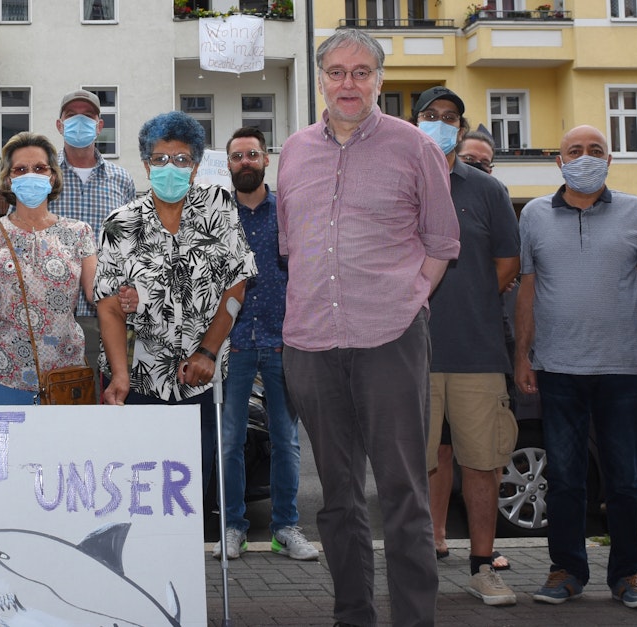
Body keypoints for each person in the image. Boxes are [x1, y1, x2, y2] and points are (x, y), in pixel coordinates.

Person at [274, 28, 459, 627]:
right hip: (310, 343)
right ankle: (352, 615)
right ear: (321, 79)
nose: (347, 83)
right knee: (337, 499)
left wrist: (407, 299)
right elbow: (289, 246)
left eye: (360, 72)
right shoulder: (295, 150)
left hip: (390, 339)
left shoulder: (415, 147)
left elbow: (441, 242)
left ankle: (413, 619)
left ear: (379, 79)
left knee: (404, 495)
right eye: (336, 72)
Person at [515, 124, 637, 609]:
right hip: (558, 368)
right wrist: (523, 353)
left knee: (624, 480)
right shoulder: (534, 214)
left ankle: (628, 575)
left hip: (623, 368)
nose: (585, 157)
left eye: (595, 150)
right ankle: (566, 571)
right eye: (575, 151)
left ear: (610, 159)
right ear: (559, 161)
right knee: (564, 479)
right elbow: (527, 289)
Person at [93, 111, 254, 533]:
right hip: (140, 380)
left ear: (196, 165)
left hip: (201, 379)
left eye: (181, 159)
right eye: (159, 159)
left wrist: (208, 351)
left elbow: (235, 288)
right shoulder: (120, 223)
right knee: (138, 491)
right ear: (145, 164)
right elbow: (108, 306)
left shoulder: (219, 208)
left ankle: (183, 582)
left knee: (189, 492)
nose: (170, 168)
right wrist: (120, 375)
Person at [411, 87, 520, 607]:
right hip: (410, 352)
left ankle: (483, 565)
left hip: (477, 352)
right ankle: (414, 566)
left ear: (461, 126)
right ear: (413, 124)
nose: (438, 124)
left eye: (448, 118)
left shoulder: (486, 191)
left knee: (482, 462)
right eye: (428, 116)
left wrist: (465, 299)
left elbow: (506, 267)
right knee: (414, 463)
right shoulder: (400, 182)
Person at [213, 126, 317, 562]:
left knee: (285, 440)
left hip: (281, 338)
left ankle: (285, 528)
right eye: (236, 157)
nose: (245, 163)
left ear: (265, 159)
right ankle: (232, 527)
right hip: (231, 343)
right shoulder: (216, 217)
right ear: (229, 165)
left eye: (252, 155)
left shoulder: (287, 212)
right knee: (231, 439)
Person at [0, 133, 98, 405]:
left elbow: (97, 294)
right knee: (5, 449)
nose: (30, 174)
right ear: (9, 179)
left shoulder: (79, 232)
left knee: (65, 448)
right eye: (20, 169)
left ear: (53, 176)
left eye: (40, 168)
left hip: (65, 372)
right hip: (3, 370)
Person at [53, 90, 139, 372]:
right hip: (51, 315)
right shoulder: (42, 175)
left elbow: (132, 244)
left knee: (103, 403)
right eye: (72, 115)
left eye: (88, 116)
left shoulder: (121, 180)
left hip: (105, 314)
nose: (80, 121)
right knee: (55, 405)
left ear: (100, 125)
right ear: (60, 124)